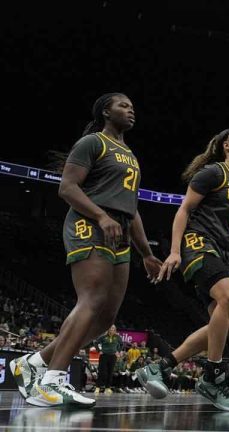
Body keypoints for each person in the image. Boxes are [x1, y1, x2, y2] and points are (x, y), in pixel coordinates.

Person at [11, 93, 161, 407]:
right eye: (123, 105)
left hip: (119, 231)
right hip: (89, 224)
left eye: (133, 106)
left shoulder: (130, 154)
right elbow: (66, 187)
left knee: (106, 318)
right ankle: (52, 380)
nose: (131, 109)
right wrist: (101, 216)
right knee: (91, 300)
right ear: (106, 111)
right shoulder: (93, 142)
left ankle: (32, 363)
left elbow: (132, 209)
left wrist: (146, 253)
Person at [136, 128, 229, 411]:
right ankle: (212, 376)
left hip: (224, 252)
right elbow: (183, 210)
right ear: (227, 146)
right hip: (198, 242)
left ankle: (160, 367)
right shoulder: (212, 173)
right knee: (228, 297)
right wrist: (174, 250)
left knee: (225, 326)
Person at [94, 325, 123, 395]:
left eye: (113, 328)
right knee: (102, 372)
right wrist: (99, 350)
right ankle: (98, 387)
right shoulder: (103, 337)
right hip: (104, 356)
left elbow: (121, 344)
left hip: (113, 356)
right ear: (108, 329)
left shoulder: (117, 337)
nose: (112, 329)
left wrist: (118, 351)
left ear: (115, 330)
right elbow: (95, 342)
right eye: (111, 328)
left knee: (110, 372)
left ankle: (107, 388)